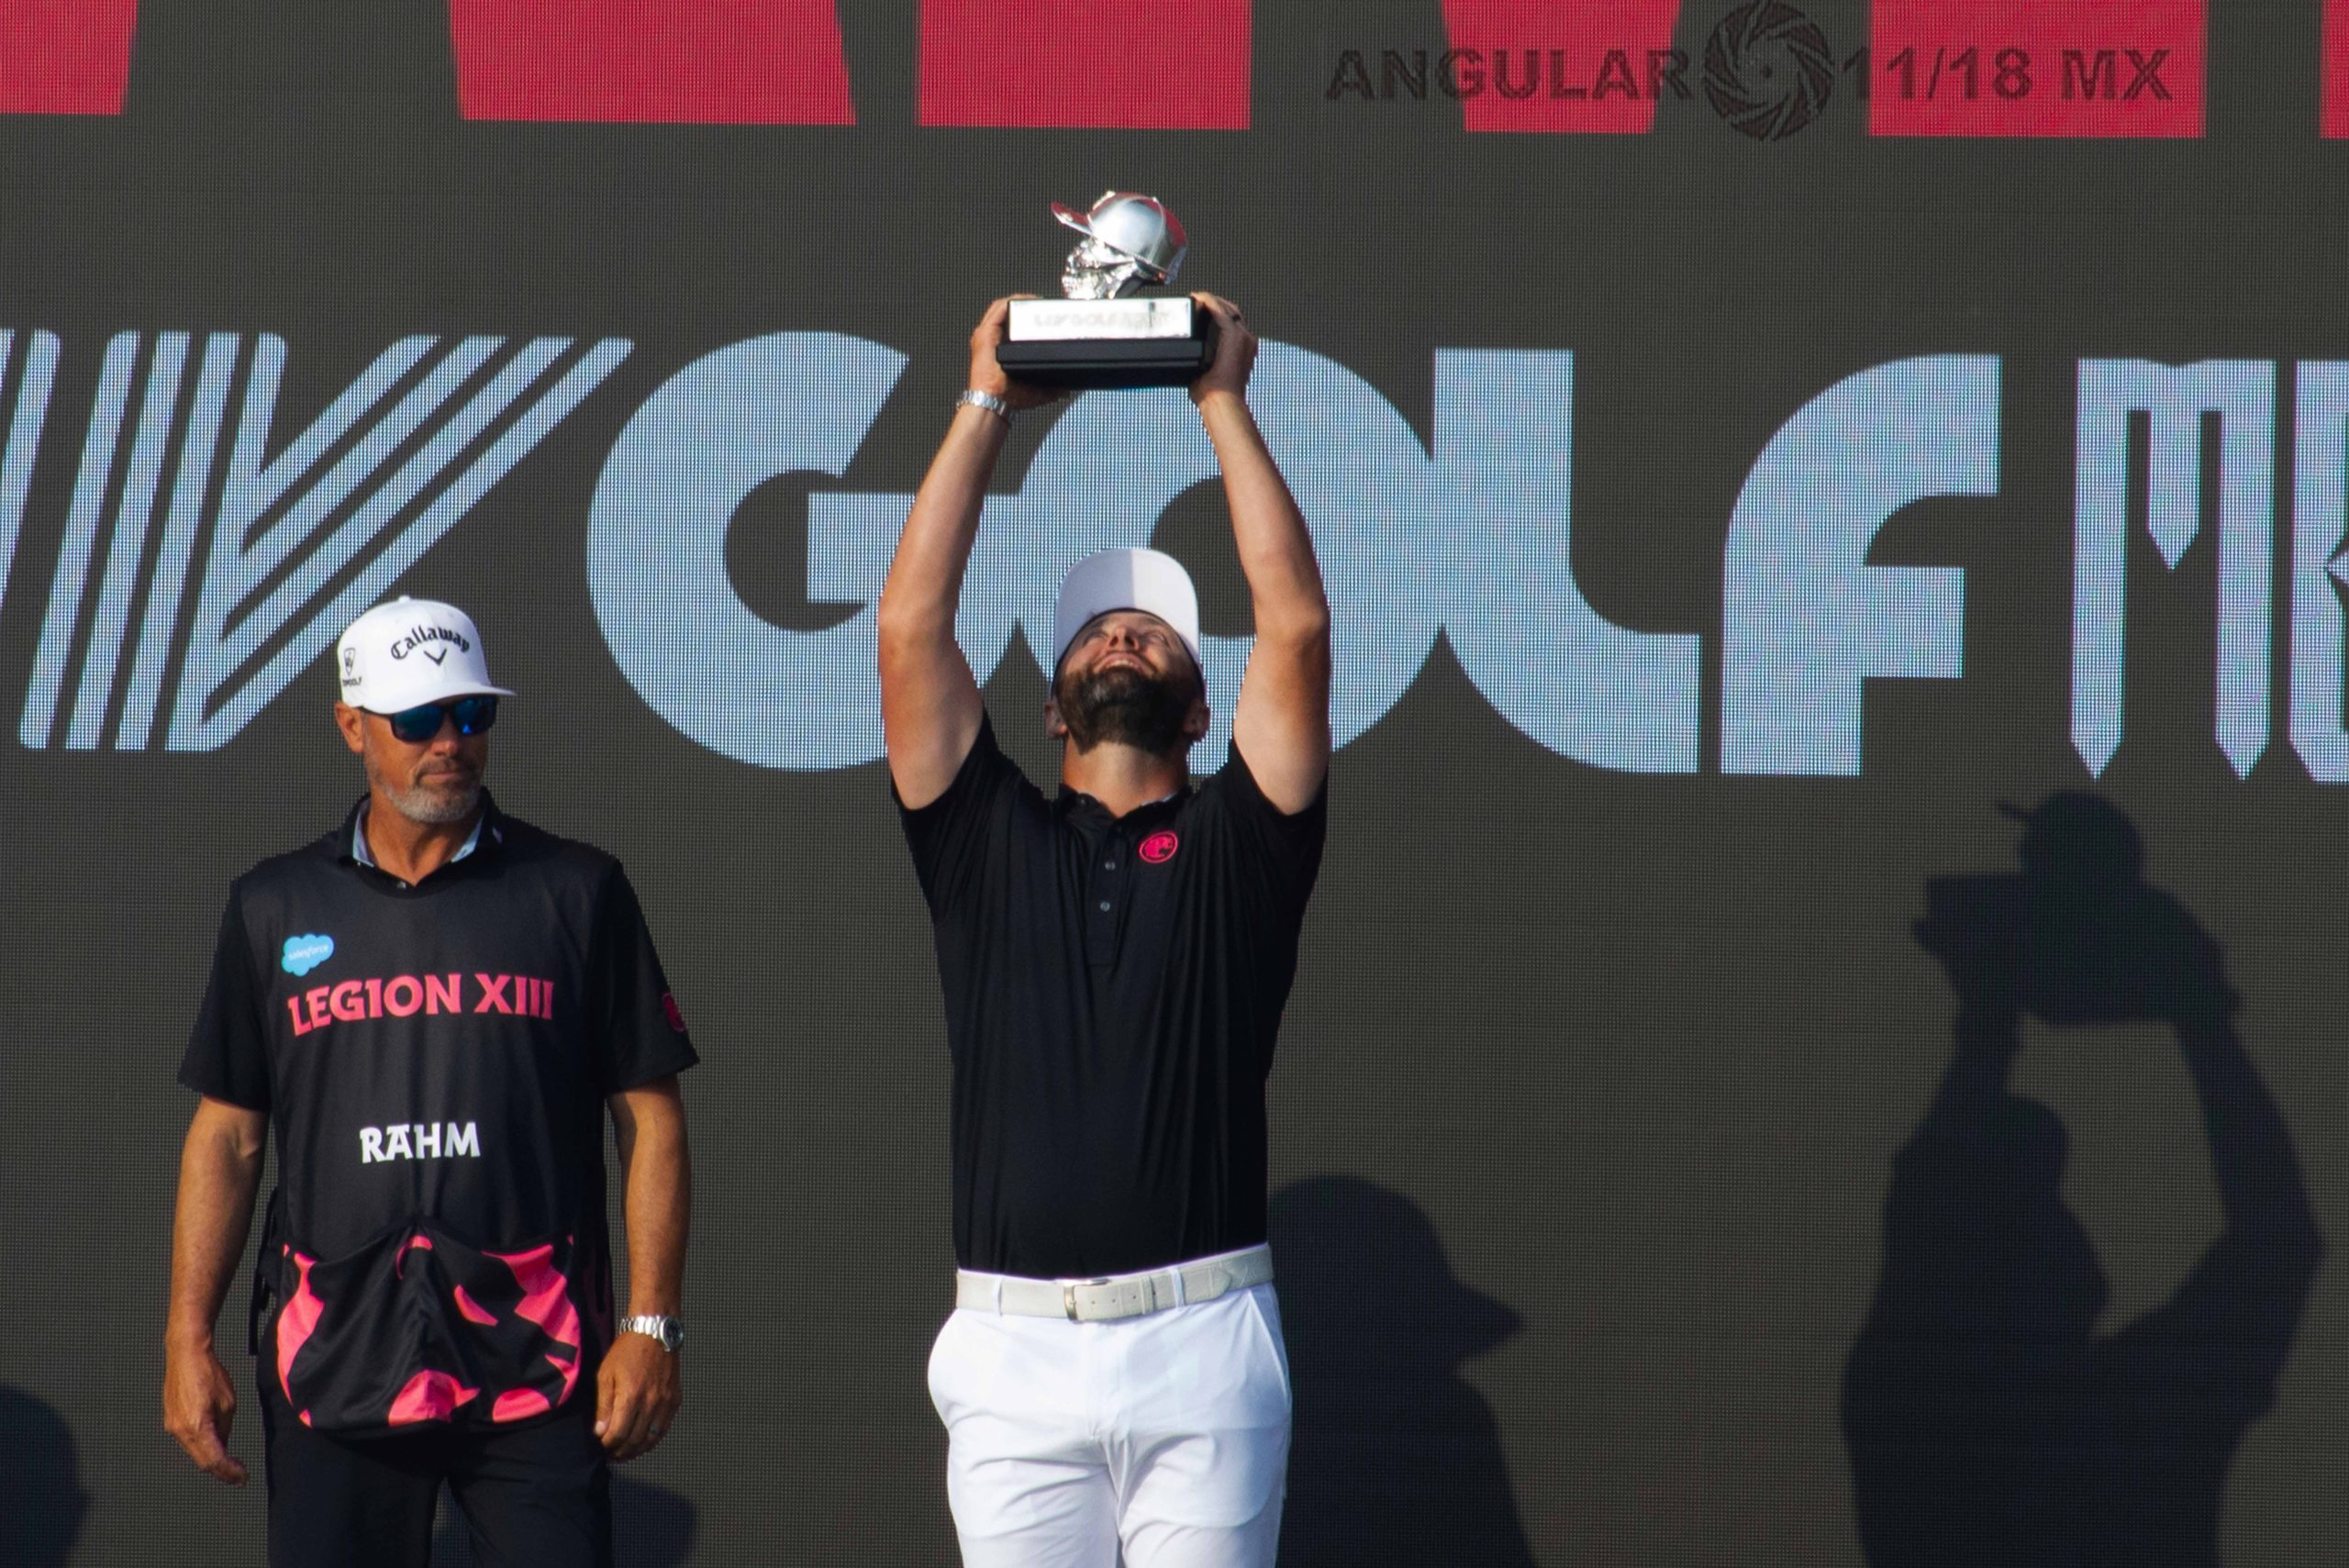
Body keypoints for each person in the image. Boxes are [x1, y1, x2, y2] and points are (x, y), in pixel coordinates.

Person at [879, 292, 1332, 1568]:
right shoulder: (985, 839)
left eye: (1155, 629)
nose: (1124, 631)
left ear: (1200, 711)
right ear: (1050, 701)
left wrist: (1221, 397)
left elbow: (1292, 626)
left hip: (1204, 1342)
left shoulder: (1243, 843)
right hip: (1012, 1350)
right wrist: (985, 401)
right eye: (1095, 625)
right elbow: (911, 629)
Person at [162, 596, 696, 1568]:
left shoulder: (577, 890)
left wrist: (650, 1323)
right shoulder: (274, 904)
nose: (449, 741)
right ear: (351, 725)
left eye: (470, 714)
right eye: (417, 720)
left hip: (538, 1357)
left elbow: (651, 1119)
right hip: (334, 1362)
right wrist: (186, 1333)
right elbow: (229, 1136)